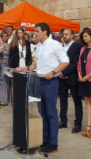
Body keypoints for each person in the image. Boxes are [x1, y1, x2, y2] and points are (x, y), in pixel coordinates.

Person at [26, 23, 69, 153]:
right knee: (42, 113)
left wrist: (53, 72)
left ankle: (53, 143)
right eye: (34, 31)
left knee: (51, 113)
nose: (35, 34)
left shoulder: (55, 44)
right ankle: (44, 140)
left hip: (50, 82)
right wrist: (27, 68)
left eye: (37, 31)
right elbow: (36, 64)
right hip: (39, 80)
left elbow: (65, 61)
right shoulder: (38, 46)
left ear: (45, 32)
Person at [58, 29, 83, 133]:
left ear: (72, 36)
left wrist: (64, 73)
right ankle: (63, 121)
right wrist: (60, 73)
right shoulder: (60, 46)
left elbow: (75, 63)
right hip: (61, 78)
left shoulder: (77, 47)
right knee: (63, 99)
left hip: (72, 77)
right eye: (63, 34)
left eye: (67, 34)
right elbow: (58, 61)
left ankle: (78, 123)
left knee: (76, 100)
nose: (64, 36)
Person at [0, 30, 10, 106]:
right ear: (1, 37)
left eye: (6, 36)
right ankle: (0, 99)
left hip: (8, 65)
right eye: (3, 36)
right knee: (1, 82)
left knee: (6, 82)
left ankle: (4, 98)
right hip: (1, 64)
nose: (4, 37)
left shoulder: (9, 45)